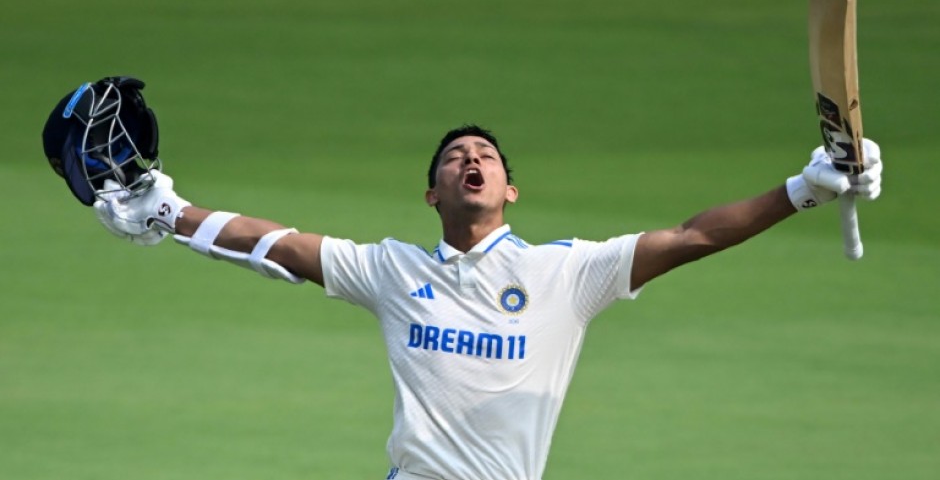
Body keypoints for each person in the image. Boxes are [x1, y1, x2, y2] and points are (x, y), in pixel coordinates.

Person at [92, 124, 882, 480]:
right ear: (431, 191)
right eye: (453, 157)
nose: (470, 160)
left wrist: (803, 189)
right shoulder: (392, 269)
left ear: (509, 188)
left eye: (486, 156)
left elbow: (691, 236)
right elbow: (281, 246)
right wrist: (172, 212)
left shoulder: (568, 273)